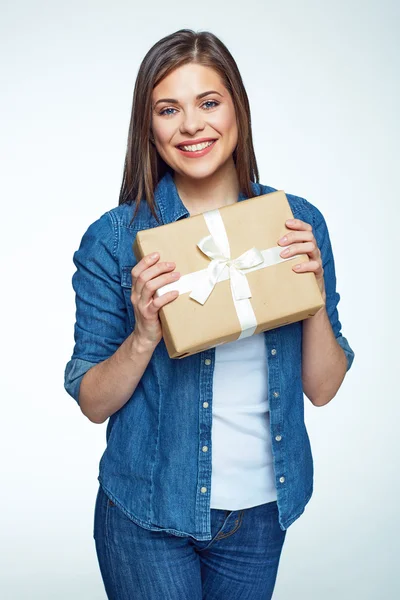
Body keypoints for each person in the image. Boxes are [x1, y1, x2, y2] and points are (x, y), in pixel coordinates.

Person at [64, 29, 355, 600]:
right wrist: (145, 333)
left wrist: (312, 295)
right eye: (168, 109)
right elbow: (92, 402)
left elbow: (323, 389)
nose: (192, 125)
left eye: (209, 102)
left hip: (261, 515)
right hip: (147, 513)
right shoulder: (118, 239)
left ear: (237, 110)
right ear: (148, 126)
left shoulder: (296, 223)